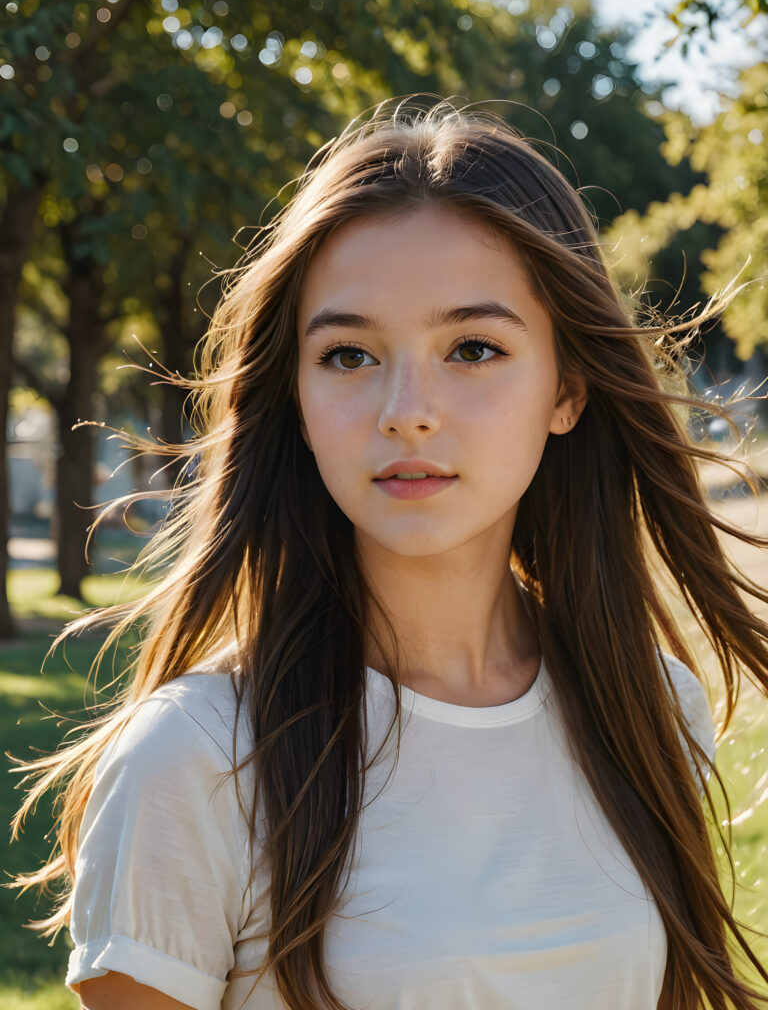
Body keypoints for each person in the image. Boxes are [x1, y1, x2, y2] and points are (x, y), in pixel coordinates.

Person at [12, 96, 768, 1010]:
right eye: (347, 355)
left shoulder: (653, 711)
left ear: (567, 389)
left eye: (474, 348)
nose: (406, 407)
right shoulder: (195, 761)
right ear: (292, 392)